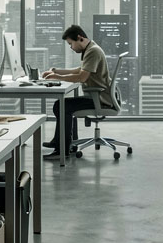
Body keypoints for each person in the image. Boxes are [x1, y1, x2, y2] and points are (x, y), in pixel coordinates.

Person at [39, 25, 114, 161]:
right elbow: (80, 70)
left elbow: (81, 77)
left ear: (79, 38)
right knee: (63, 105)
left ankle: (62, 149)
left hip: (99, 99)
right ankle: (63, 143)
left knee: (61, 106)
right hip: (97, 96)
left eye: (70, 44)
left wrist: (57, 77)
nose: (71, 48)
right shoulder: (91, 48)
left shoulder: (93, 51)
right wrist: (56, 71)